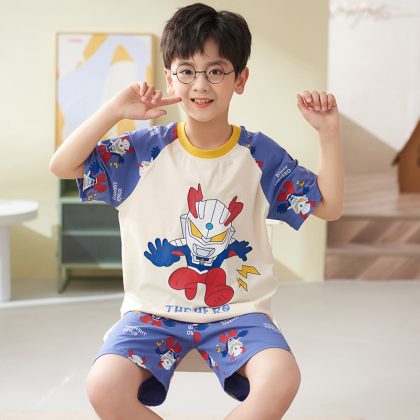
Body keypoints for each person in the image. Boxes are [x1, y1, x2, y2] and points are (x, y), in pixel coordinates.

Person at [49, 3, 343, 419]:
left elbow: (328, 206)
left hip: (239, 315)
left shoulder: (259, 156)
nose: (200, 84)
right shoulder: (143, 152)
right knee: (103, 385)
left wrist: (329, 134)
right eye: (186, 71)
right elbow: (63, 165)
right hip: (151, 315)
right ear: (170, 77)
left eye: (216, 70)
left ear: (240, 79)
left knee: (281, 376)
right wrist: (114, 110)